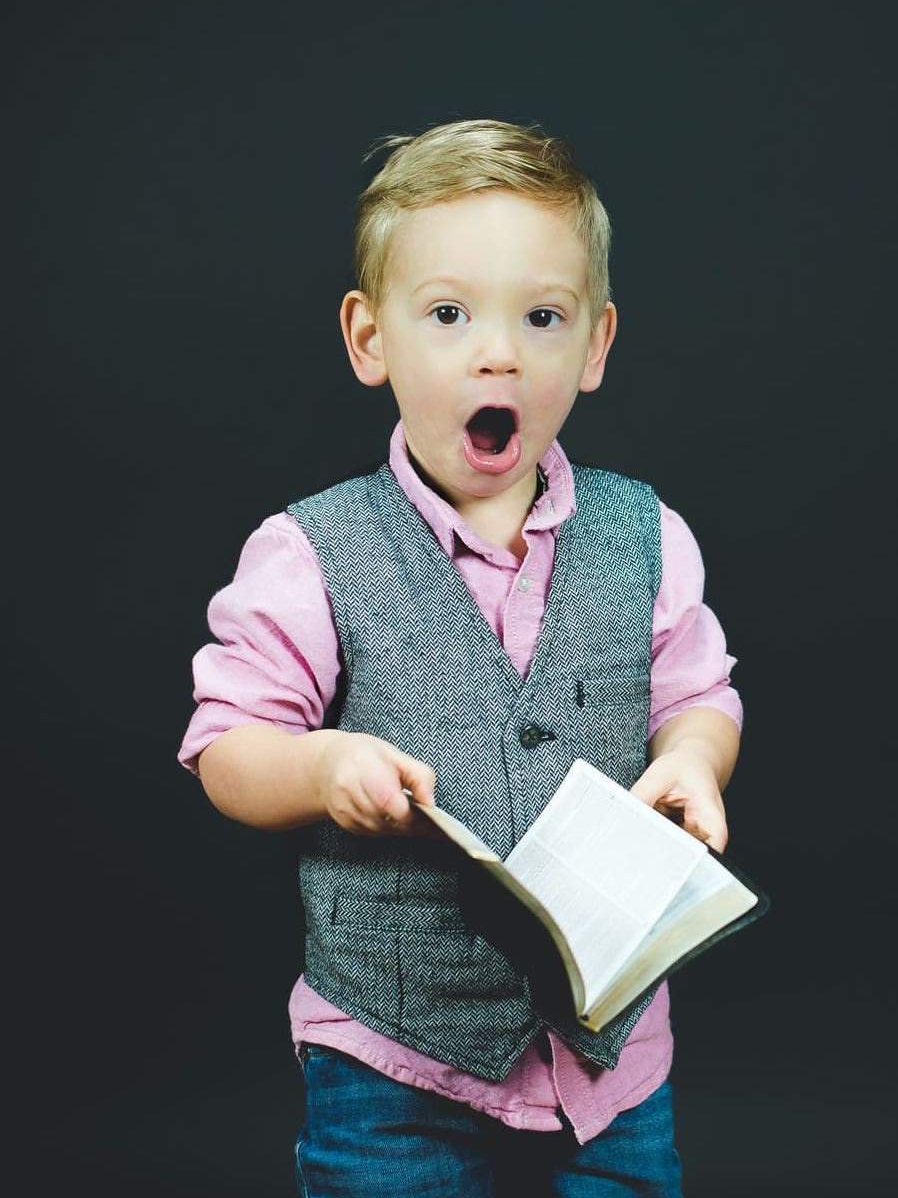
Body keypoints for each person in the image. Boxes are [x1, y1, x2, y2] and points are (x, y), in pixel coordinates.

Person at [178, 117, 743, 1197]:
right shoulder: (311, 553)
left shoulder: (648, 535)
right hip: (393, 1059)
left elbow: (700, 692)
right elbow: (224, 747)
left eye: (542, 316)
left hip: (609, 1058)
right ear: (369, 340)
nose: (500, 352)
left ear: (595, 346)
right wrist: (319, 767)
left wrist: (695, 761)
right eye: (448, 315)